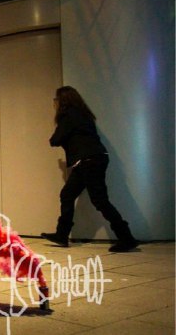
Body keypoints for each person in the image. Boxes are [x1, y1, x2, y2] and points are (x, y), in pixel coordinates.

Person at [41, 86, 139, 252]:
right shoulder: (83, 114)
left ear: (62, 101)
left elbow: (55, 140)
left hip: (88, 161)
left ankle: (126, 237)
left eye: (56, 100)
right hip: (91, 160)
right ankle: (62, 234)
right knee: (68, 194)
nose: (54, 103)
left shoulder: (68, 115)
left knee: (99, 200)